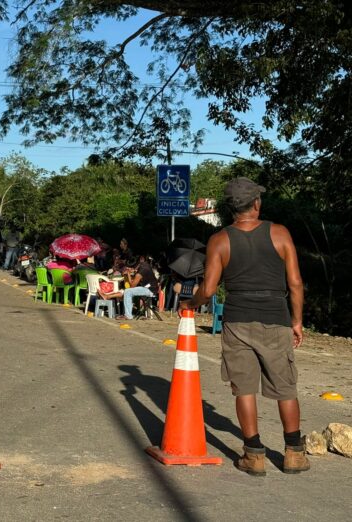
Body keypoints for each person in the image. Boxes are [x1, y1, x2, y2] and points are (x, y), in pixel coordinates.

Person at [180, 177, 308, 476]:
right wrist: (297, 321)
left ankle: (253, 455)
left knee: (245, 390)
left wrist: (189, 304)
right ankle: (294, 454)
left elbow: (209, 290)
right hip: (275, 318)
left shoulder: (220, 240)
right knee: (286, 388)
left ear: (230, 208)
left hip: (237, 320)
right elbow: (296, 283)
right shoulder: (279, 233)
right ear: (257, 203)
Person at [119, 256, 159, 320]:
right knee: (129, 291)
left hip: (150, 290)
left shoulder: (140, 272)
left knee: (128, 291)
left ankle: (128, 315)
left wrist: (128, 274)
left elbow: (132, 286)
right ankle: (130, 312)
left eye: (129, 268)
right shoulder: (144, 264)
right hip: (152, 287)